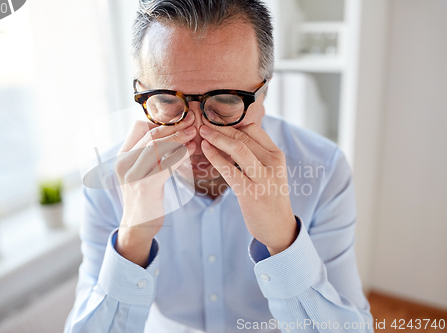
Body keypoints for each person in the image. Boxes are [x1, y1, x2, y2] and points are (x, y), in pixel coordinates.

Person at [65, 0, 374, 332]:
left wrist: (284, 240)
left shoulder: (324, 170)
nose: (197, 135)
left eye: (226, 101)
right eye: (168, 101)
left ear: (265, 89)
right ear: (140, 93)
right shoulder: (110, 180)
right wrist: (132, 237)